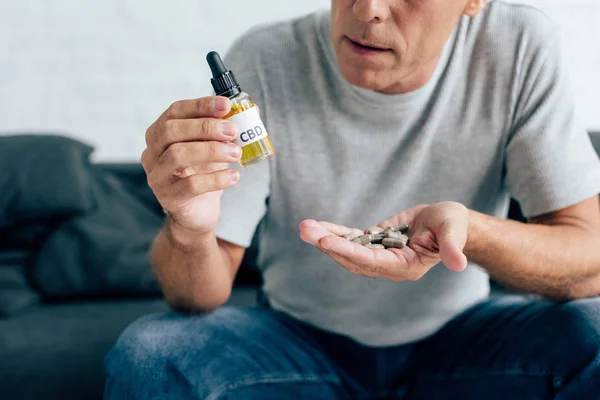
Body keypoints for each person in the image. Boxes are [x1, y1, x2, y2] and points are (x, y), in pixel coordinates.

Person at [104, 0, 600, 398]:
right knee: (151, 352)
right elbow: (199, 295)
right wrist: (190, 229)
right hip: (297, 343)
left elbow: (589, 260)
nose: (367, 11)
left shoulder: (518, 46)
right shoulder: (266, 58)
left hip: (462, 339)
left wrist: (469, 232)